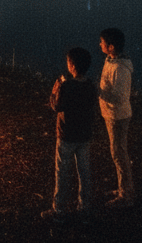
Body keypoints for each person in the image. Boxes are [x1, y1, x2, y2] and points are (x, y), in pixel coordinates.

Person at [42, 46, 96, 223]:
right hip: (84, 136)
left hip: (66, 136)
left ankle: (59, 210)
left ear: (72, 66)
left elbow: (57, 106)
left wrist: (55, 90)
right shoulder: (90, 85)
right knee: (84, 172)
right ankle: (85, 208)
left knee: (62, 173)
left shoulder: (67, 86)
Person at [98, 27, 135, 205]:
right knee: (118, 153)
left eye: (102, 43)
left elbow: (119, 98)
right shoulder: (111, 60)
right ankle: (123, 188)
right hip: (111, 115)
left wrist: (98, 92)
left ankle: (126, 195)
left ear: (111, 47)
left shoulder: (120, 69)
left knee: (119, 154)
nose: (100, 45)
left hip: (118, 117)